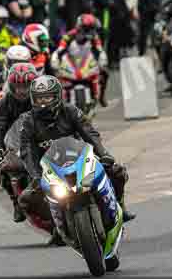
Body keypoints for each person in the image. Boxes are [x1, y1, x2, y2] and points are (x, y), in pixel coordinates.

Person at [18, 75, 135, 236]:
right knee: (26, 199)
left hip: (79, 160)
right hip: (48, 170)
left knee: (117, 172)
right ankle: (54, 227)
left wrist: (104, 154)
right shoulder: (28, 121)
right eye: (39, 99)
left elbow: (90, 134)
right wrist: (35, 176)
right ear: (32, 100)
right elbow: (26, 151)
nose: (43, 103)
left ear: (58, 96)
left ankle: (120, 206)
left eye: (47, 97)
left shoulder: (71, 111)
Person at [0, 62, 39, 223]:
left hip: (41, 140)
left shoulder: (42, 98)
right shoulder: (4, 102)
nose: (22, 90)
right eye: (18, 86)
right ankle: (16, 202)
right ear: (11, 85)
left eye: (26, 85)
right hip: (16, 143)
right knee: (4, 170)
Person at [104, 0, 134, 67]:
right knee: (113, 40)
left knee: (117, 39)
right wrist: (121, 12)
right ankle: (112, 60)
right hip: (115, 17)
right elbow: (114, 1)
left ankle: (115, 59)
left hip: (119, 15)